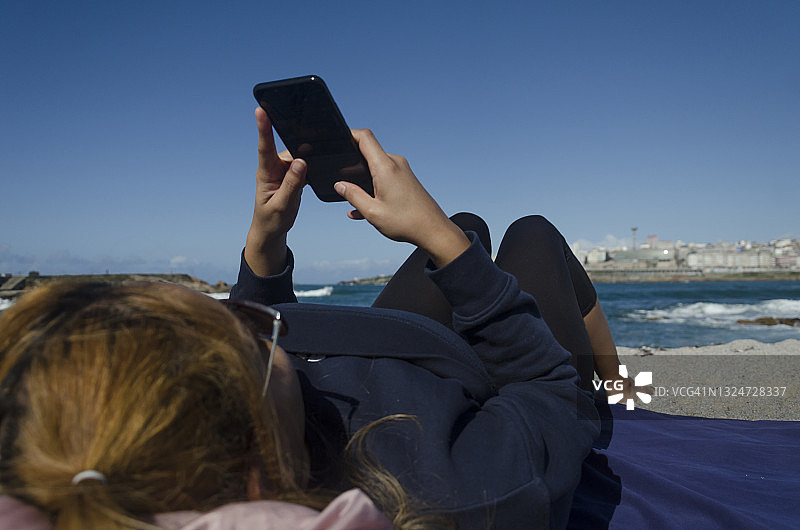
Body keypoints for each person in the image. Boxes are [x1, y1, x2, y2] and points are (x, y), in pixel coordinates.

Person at [227, 107, 607, 528]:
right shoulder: (456, 496)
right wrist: (437, 235)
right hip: (451, 395)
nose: (218, 325)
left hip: (386, 360)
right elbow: (549, 388)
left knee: (467, 226)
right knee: (532, 235)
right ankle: (618, 391)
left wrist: (265, 237)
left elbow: (267, 332)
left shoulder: (251, 391)